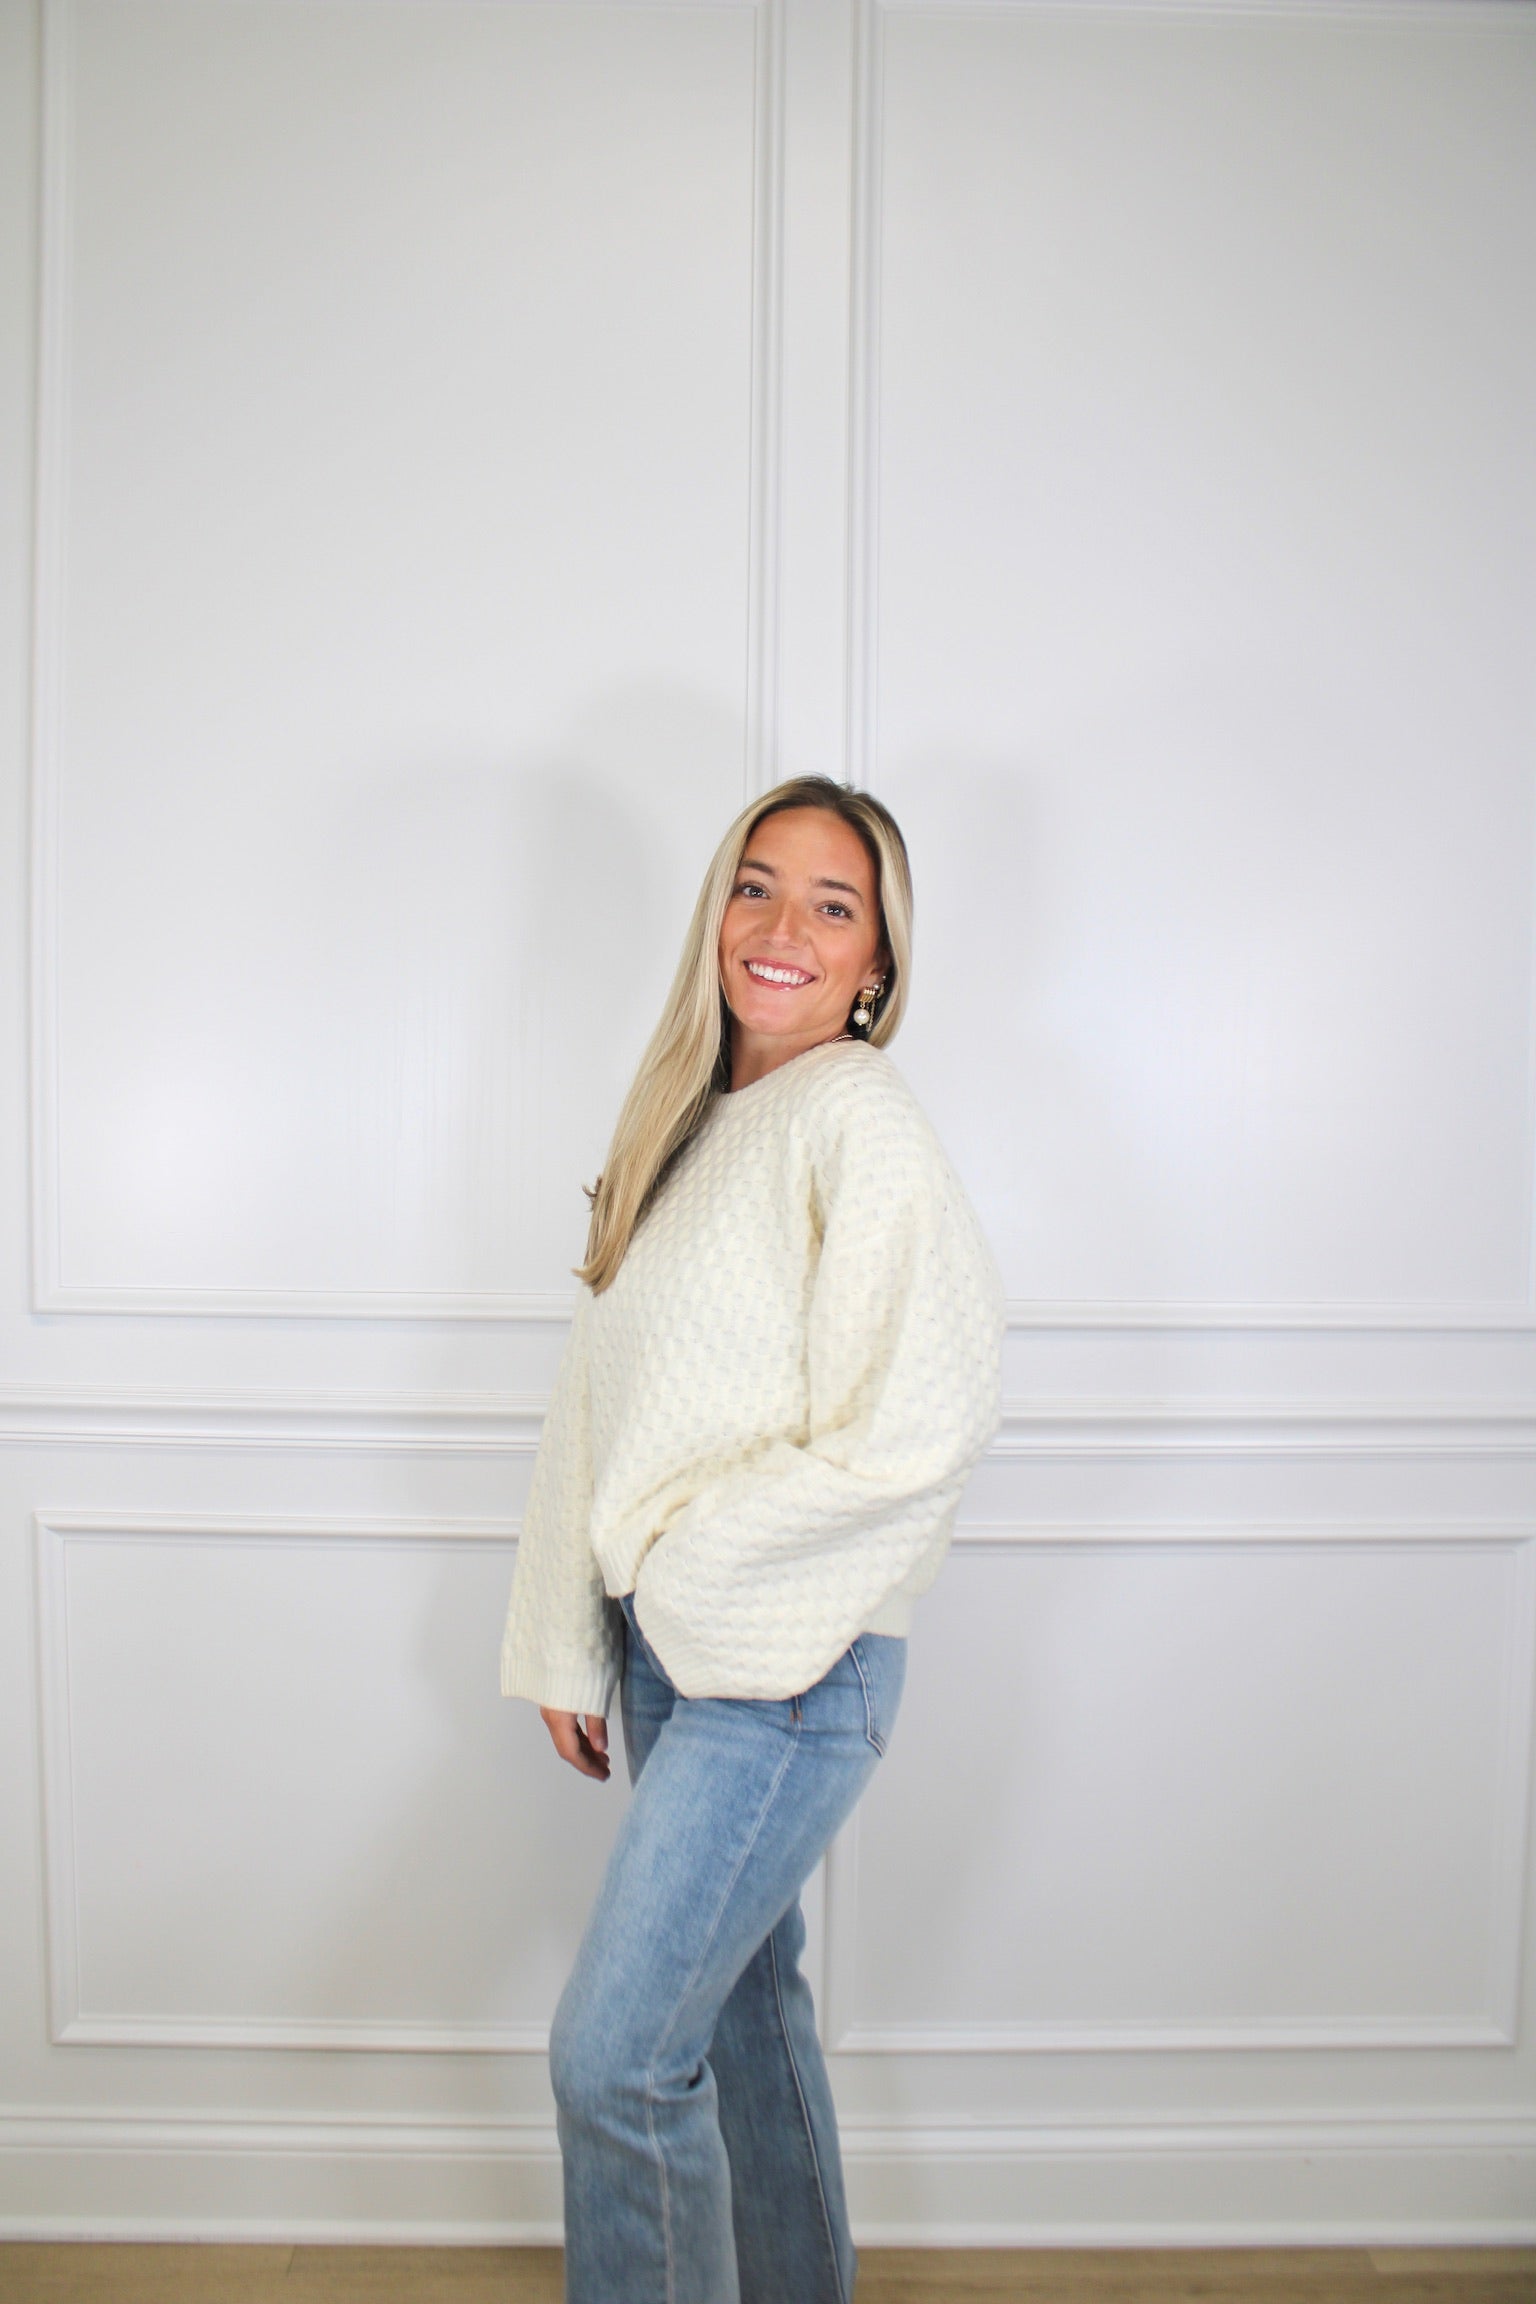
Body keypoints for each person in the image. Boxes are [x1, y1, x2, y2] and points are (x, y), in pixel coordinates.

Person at [499, 773, 1005, 2304]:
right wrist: (572, 1639)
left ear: (876, 966)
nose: (784, 927)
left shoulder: (858, 1116)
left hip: (790, 1670)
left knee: (612, 2059)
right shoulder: (682, 1125)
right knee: (741, 2020)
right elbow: (593, 1400)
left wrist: (700, 1571)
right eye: (757, 885)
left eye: (833, 907)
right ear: (718, 910)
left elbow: (927, 1415)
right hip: (677, 1658)